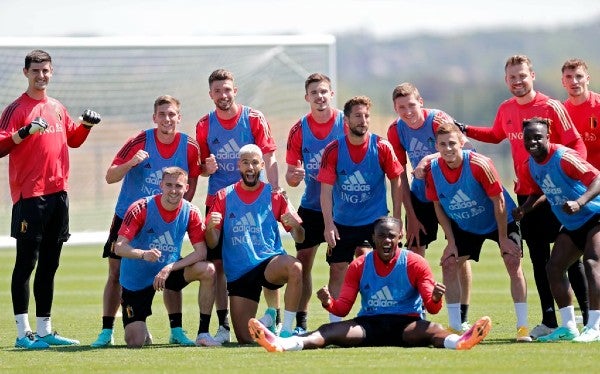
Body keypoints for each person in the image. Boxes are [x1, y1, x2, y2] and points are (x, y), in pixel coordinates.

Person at [461, 54, 589, 339]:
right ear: (506, 81)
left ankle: (591, 320)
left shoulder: (551, 106)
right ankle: (549, 320)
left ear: (532, 76)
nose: (518, 81)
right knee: (539, 258)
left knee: (572, 258)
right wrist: (466, 129)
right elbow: (495, 135)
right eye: (512, 77)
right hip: (526, 196)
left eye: (522, 76)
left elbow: (575, 142)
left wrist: (569, 174)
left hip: (557, 195)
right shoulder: (506, 108)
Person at [248, 216, 492, 352]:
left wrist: (437, 297)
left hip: (407, 325)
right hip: (368, 325)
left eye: (391, 236)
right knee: (328, 331)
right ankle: (282, 344)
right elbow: (343, 308)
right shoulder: (360, 265)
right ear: (373, 239)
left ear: (400, 238)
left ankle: (459, 343)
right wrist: (328, 302)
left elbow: (432, 306)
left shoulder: (415, 263)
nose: (386, 241)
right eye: (381, 236)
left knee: (434, 330)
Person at [0, 49, 101, 349]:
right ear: (25, 73)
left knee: (50, 264)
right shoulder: (16, 108)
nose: (41, 76)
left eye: (46, 71)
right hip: (30, 196)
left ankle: (45, 329)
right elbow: (1, 145)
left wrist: (86, 125)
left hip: (59, 195)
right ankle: (22, 334)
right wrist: (24, 132)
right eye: (36, 71)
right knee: (25, 264)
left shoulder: (56, 106)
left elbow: (73, 139)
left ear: (51, 72)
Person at [91, 95, 203, 347]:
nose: (167, 119)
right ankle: (106, 331)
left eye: (171, 114)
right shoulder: (140, 141)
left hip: (165, 219)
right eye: (162, 114)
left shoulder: (190, 146)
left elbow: (194, 177)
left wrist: (177, 212)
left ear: (179, 117)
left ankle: (176, 329)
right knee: (116, 273)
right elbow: (110, 176)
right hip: (128, 217)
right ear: (154, 118)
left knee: (169, 266)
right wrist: (131, 163)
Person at [423, 121, 530, 342]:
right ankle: (454, 327)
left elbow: (499, 201)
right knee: (450, 263)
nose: (448, 148)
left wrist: (502, 239)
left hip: (500, 220)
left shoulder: (480, 164)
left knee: (512, 261)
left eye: (452, 143)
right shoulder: (432, 171)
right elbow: (437, 207)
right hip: (466, 226)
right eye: (443, 144)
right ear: (436, 146)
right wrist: (451, 241)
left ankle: (522, 328)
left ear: (462, 142)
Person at [196, 68, 282, 342]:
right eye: (217, 90)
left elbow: (268, 156)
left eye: (227, 89)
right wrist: (205, 169)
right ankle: (223, 328)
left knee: (267, 252)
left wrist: (275, 190)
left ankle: (276, 319)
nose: (223, 94)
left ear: (236, 90)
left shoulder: (254, 118)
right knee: (218, 265)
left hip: (256, 201)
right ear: (211, 94)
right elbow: (200, 167)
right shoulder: (203, 124)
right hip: (219, 202)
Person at [386, 82, 473, 331]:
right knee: (414, 254)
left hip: (451, 194)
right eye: (401, 107)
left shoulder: (437, 119)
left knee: (458, 253)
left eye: (411, 105)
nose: (407, 111)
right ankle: (416, 313)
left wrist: (429, 157)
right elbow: (399, 175)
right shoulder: (396, 130)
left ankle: (462, 316)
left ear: (420, 102)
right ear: (395, 108)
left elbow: (462, 145)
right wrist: (408, 216)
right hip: (421, 196)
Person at [204, 144, 304, 343]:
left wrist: (296, 226)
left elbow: (299, 238)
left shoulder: (274, 195)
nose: (250, 167)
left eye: (255, 162)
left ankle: (285, 331)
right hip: (239, 273)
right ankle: (267, 323)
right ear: (239, 166)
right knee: (244, 339)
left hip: (268, 264)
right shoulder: (223, 196)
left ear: (261, 167)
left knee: (295, 267)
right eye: (246, 162)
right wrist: (209, 228)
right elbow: (212, 242)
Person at [317, 95, 403, 323]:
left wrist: (396, 219)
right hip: (343, 222)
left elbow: (397, 180)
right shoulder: (333, 150)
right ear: (346, 121)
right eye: (357, 116)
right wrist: (328, 224)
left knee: (369, 263)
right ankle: (334, 323)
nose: (363, 120)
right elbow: (325, 190)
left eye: (366, 116)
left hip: (375, 222)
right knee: (337, 269)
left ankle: (374, 317)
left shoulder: (382, 146)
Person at [514, 117, 600, 342]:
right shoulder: (530, 164)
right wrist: (524, 209)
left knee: (592, 264)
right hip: (573, 224)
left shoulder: (563, 156)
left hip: (595, 214)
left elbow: (597, 178)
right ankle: (569, 327)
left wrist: (579, 202)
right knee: (553, 267)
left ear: (548, 137)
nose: (532, 142)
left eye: (538, 137)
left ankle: (595, 326)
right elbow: (537, 191)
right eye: (528, 138)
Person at [114, 166, 219, 348]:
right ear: (160, 185)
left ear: (186, 188)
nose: (173, 190)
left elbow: (201, 252)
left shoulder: (191, 211)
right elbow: (119, 247)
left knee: (208, 270)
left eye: (178, 186)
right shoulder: (140, 208)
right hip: (137, 278)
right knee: (135, 342)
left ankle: (202, 333)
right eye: (169, 185)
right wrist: (143, 254)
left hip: (168, 270)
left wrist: (169, 267)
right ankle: (142, 327)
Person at [285, 73, 347, 331]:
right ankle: (301, 322)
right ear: (307, 97)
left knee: (343, 264)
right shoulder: (299, 130)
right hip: (311, 205)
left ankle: (342, 320)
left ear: (331, 94)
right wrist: (294, 176)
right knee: (302, 262)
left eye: (324, 91)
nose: (319, 96)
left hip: (344, 207)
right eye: (314, 93)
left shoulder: (346, 122)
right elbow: (290, 177)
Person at [561, 58, 600, 170]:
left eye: (579, 76)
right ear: (563, 82)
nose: (574, 81)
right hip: (575, 181)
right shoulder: (561, 111)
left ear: (587, 79)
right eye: (569, 77)